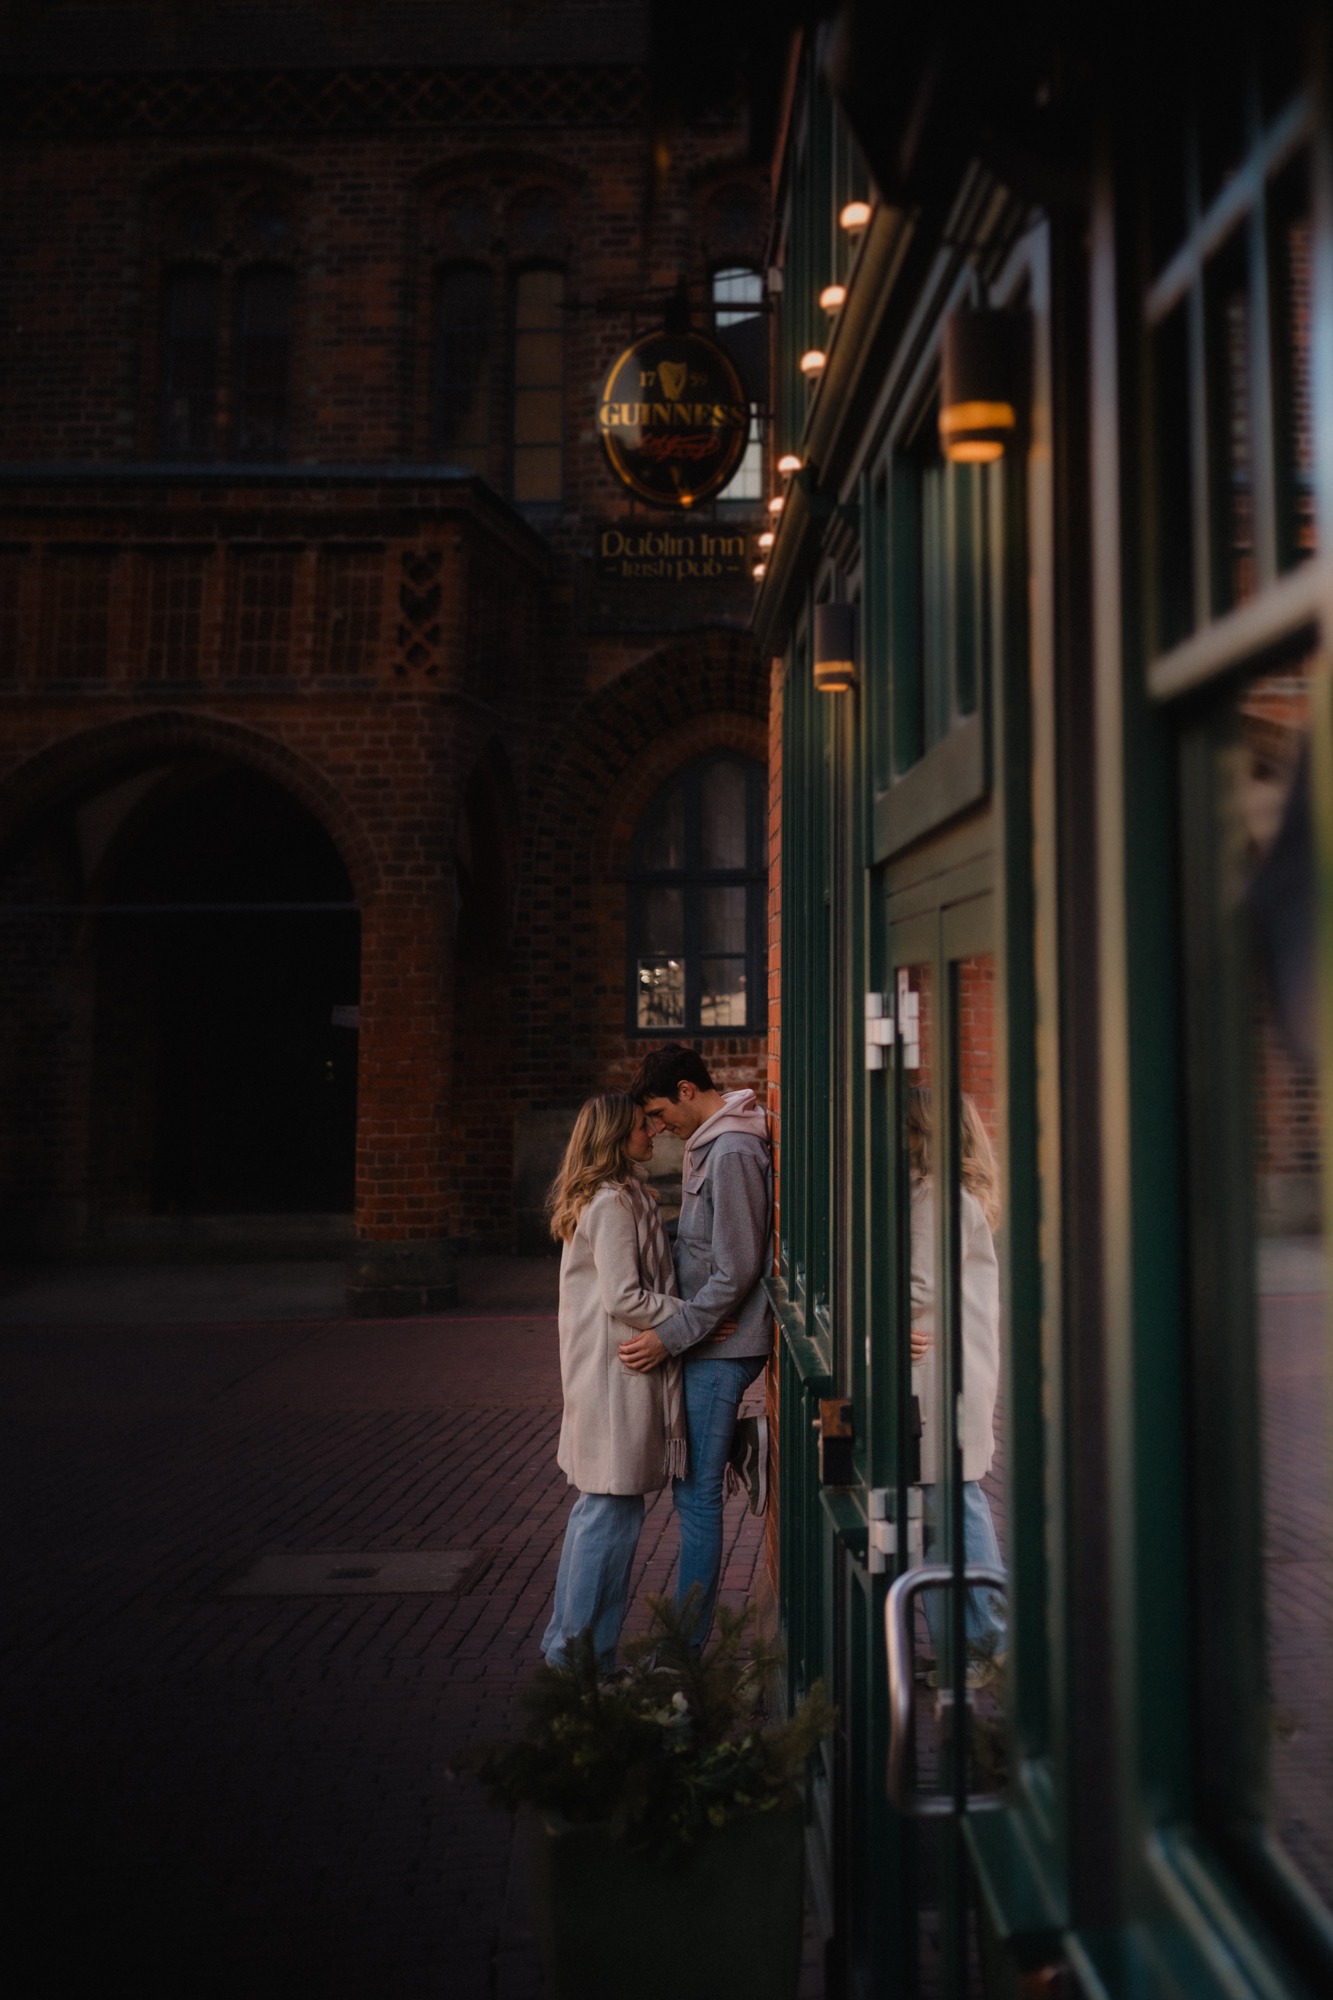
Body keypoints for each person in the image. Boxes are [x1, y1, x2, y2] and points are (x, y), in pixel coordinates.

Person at [619, 1045, 773, 1649]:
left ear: (687, 1090)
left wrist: (673, 1333)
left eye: (658, 1112)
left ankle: (680, 1653)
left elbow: (737, 1269)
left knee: (698, 1499)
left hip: (721, 1349)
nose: (657, 1129)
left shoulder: (731, 1149)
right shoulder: (711, 1138)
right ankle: (746, 1440)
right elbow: (707, 1245)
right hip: (712, 1338)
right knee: (695, 1493)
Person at [540, 1092, 684, 1676]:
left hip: (605, 1371)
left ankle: (579, 1653)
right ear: (615, 1140)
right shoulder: (610, 1203)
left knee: (601, 1513)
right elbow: (624, 1296)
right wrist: (692, 1313)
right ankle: (575, 1659)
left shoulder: (617, 1197)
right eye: (641, 1127)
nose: (652, 1133)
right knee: (609, 1514)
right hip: (612, 1374)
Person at [908, 1086, 1007, 1682]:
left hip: (938, 1375)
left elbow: (919, 1288)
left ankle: (989, 1642)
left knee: (954, 1504)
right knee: (939, 1507)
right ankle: (961, 1652)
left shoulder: (934, 1196)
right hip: (949, 1368)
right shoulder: (956, 1193)